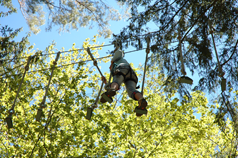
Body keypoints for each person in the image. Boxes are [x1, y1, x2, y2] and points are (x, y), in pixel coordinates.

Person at [100, 49, 148, 117]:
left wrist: (112, 63)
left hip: (122, 68)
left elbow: (119, 52)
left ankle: (112, 90)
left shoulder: (118, 60)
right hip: (131, 75)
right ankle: (141, 101)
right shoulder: (120, 62)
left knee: (116, 82)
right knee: (131, 91)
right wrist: (105, 83)